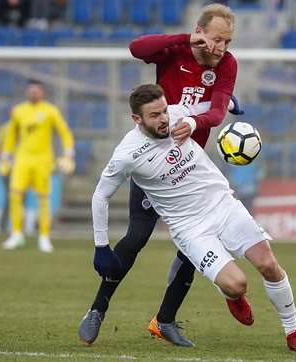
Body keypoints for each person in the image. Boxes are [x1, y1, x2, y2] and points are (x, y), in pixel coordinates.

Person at [89, 84, 296, 353]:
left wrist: (226, 103)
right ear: (136, 119)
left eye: (164, 110)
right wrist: (101, 246)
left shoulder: (176, 115)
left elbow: (210, 106)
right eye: (154, 115)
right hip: (190, 228)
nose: (164, 119)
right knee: (236, 285)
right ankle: (232, 296)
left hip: (223, 205)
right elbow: (100, 196)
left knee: (268, 264)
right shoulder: (127, 155)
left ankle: (294, 332)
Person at [78, 3, 245, 347]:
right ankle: (97, 309)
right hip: (155, 167)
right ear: (200, 32)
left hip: (191, 168)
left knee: (195, 244)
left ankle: (165, 320)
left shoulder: (227, 64)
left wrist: (206, 116)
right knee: (136, 238)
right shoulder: (176, 51)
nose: (220, 48)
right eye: (215, 39)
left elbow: (215, 112)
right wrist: (187, 39)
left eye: (226, 41)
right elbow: (137, 48)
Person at [0, 79, 75, 253]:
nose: (34, 93)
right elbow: (11, 136)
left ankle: (44, 237)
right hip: (22, 159)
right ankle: (16, 234)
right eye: (31, 90)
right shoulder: (19, 111)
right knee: (15, 196)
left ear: (42, 92)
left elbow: (65, 132)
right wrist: (5, 156)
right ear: (27, 92)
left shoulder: (50, 111)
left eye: (37, 90)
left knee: (43, 199)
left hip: (42, 160)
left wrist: (68, 153)